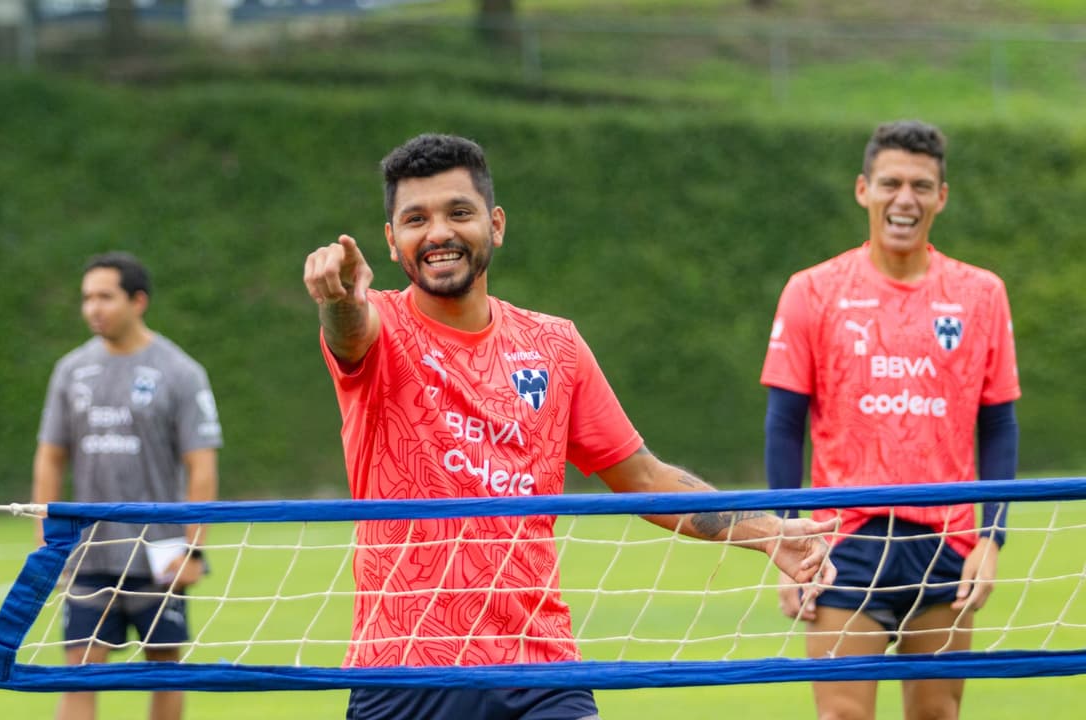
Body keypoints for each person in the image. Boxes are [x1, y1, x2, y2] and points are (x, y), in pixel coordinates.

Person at [303, 133, 839, 720]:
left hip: (542, 670)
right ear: (391, 239)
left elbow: (642, 477)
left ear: (496, 224)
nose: (438, 233)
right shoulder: (380, 330)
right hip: (405, 672)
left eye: (459, 212)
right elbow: (349, 332)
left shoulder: (555, 345)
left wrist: (768, 533)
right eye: (416, 218)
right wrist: (339, 298)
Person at [760, 120, 1020, 720]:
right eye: (891, 183)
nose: (906, 199)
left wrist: (992, 538)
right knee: (842, 715)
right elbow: (783, 425)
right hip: (843, 543)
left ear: (941, 197)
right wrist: (786, 539)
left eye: (921, 186)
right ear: (863, 190)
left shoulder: (982, 294)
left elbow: (999, 424)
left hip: (946, 542)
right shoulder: (813, 291)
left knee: (937, 715)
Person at [31, 252, 223, 720]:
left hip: (158, 555)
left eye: (105, 297)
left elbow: (201, 466)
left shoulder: (181, 372)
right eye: (87, 298)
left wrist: (193, 550)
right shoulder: (70, 371)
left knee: (165, 673)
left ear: (138, 301)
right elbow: (50, 457)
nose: (93, 308)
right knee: (77, 674)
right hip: (89, 555)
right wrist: (45, 537)